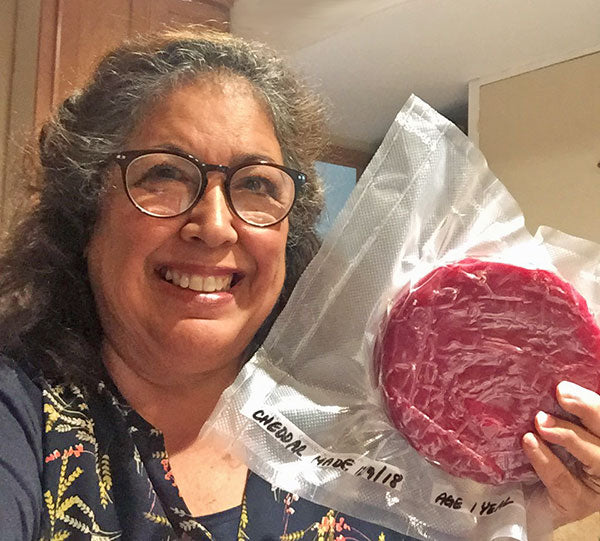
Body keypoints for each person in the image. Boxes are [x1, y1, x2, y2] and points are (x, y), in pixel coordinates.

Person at [0, 27, 599, 540]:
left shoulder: (374, 426)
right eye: (164, 174)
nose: (214, 225)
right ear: (87, 209)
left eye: (256, 184)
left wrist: (521, 508)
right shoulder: (23, 418)